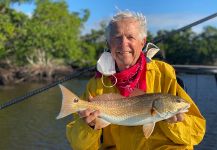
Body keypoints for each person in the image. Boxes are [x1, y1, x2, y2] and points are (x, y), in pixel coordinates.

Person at [66, 10, 206, 150]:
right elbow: (79, 146)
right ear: (109, 43)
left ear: (142, 42)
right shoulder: (96, 84)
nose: (123, 43)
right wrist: (89, 126)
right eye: (117, 37)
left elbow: (197, 133)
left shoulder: (164, 73)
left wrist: (175, 123)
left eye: (130, 37)